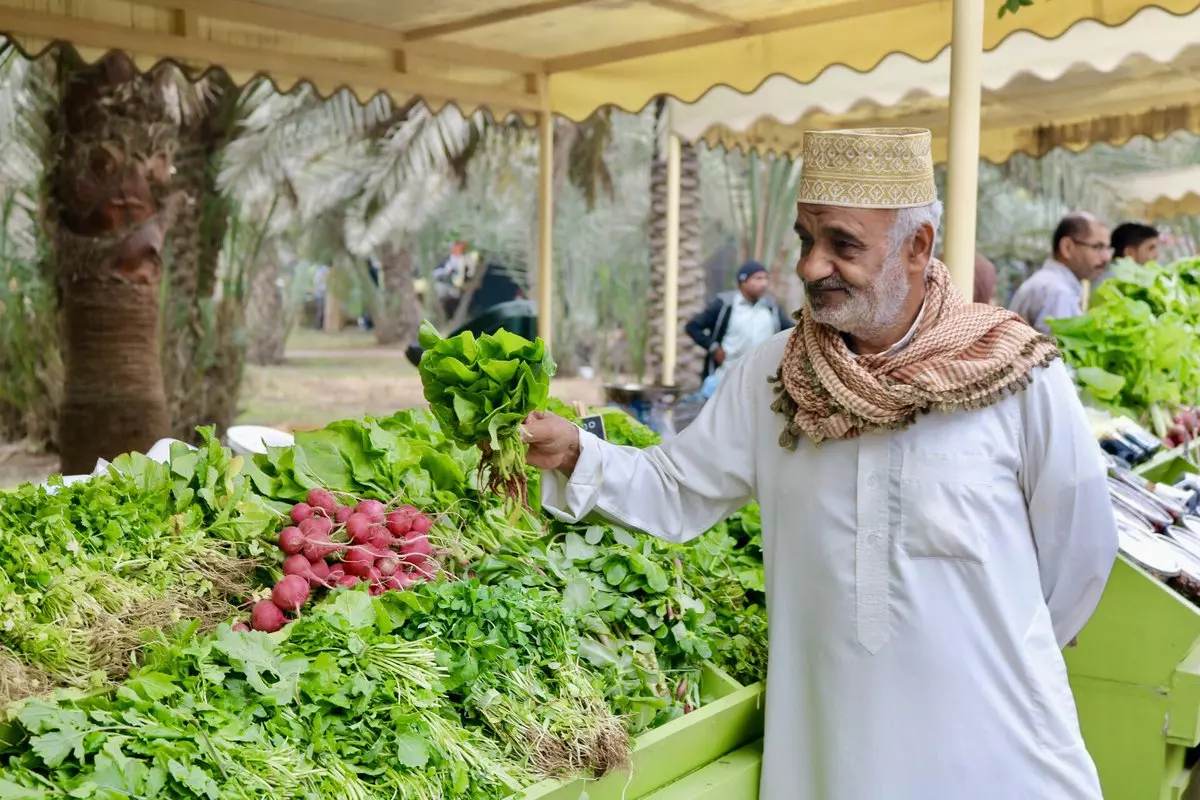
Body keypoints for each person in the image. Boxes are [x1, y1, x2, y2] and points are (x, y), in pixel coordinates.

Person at [516, 127, 1116, 800]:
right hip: (830, 751)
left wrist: (992, 654)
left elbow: (1080, 555)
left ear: (917, 247)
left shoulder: (1011, 373)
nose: (809, 267)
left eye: (842, 244)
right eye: (806, 239)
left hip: (996, 751)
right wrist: (577, 451)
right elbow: (677, 488)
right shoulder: (773, 374)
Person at [684, 261, 793, 382]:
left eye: (766, 278)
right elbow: (693, 327)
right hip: (726, 375)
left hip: (761, 378)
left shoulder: (771, 307)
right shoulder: (725, 305)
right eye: (758, 278)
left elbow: (790, 331)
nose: (764, 283)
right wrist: (714, 348)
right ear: (743, 281)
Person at [1009, 212, 1112, 334]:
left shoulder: (1050, 284)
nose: (1106, 257)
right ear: (1067, 247)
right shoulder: (1057, 292)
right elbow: (1056, 345)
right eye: (1098, 247)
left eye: (1108, 249)